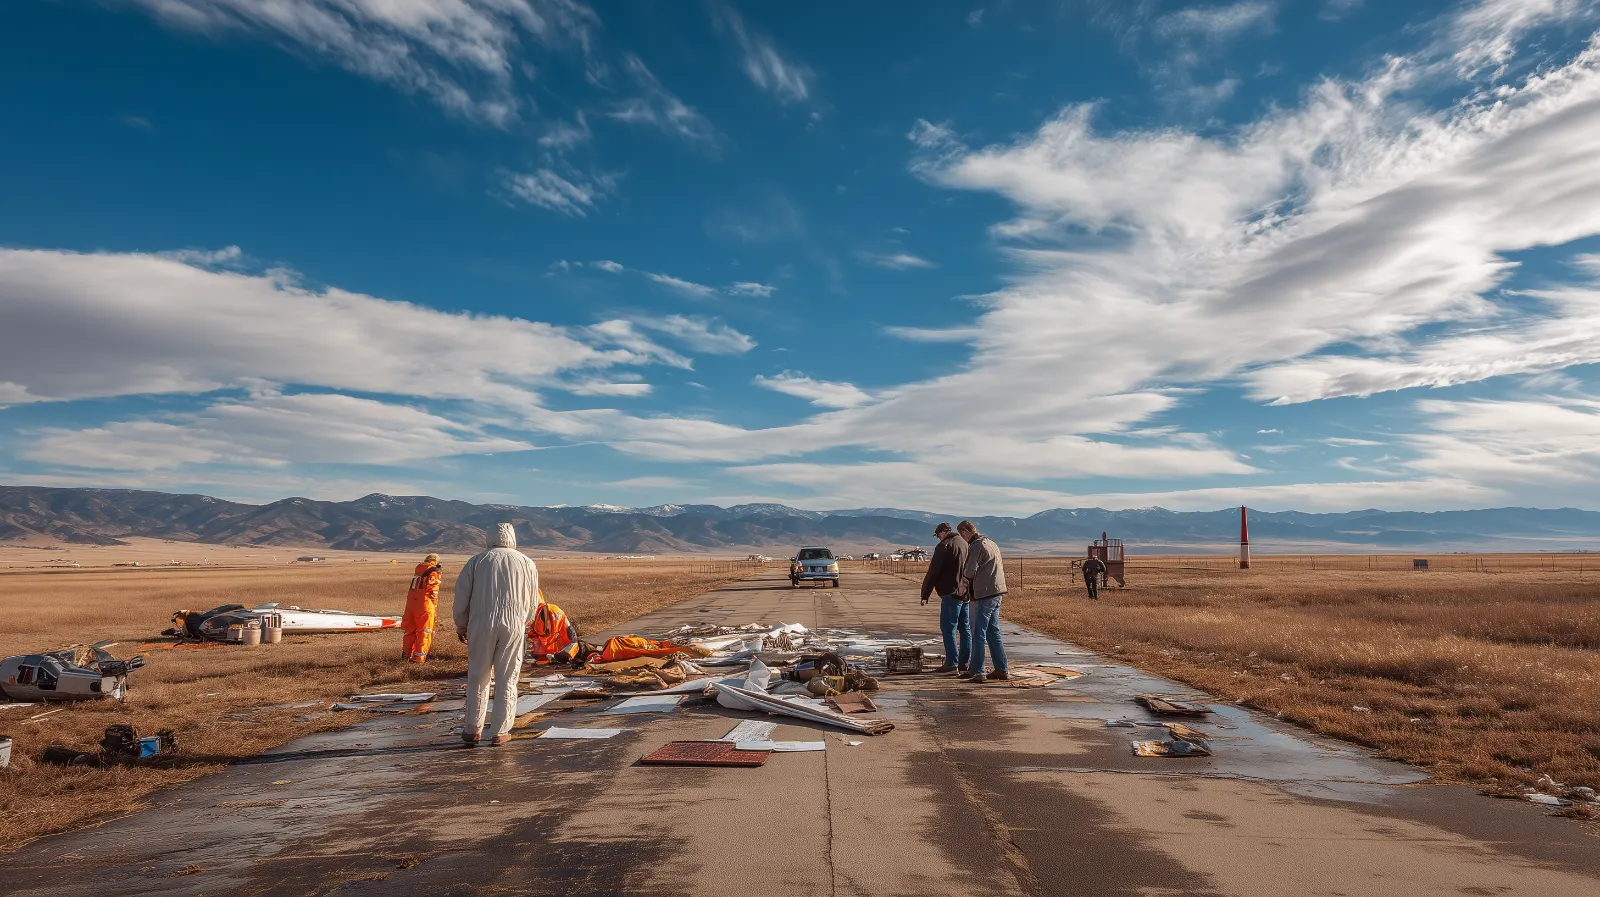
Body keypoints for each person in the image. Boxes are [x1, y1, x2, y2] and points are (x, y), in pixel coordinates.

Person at [453, 523, 540, 747]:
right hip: (514, 624)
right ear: (512, 537)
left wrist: (461, 625)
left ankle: (472, 729)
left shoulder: (477, 561)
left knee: (478, 677)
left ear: (489, 537)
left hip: (480, 623)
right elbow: (533, 601)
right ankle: (500, 732)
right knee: (507, 678)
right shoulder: (526, 563)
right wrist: (524, 620)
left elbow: (462, 596)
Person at [958, 520, 1009, 684]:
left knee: (978, 632)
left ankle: (977, 670)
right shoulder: (991, 543)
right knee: (992, 631)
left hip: (984, 593)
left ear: (966, 532)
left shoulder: (976, 545)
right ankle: (1001, 669)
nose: (963, 538)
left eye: (962, 535)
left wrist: (964, 582)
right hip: (997, 591)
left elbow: (970, 570)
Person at [919, 522, 970, 674]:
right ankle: (964, 664)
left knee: (948, 628)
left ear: (942, 533)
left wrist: (925, 594)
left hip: (951, 592)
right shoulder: (965, 543)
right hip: (965, 593)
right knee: (965, 629)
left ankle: (951, 664)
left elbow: (933, 572)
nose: (938, 538)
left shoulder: (944, 546)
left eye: (938, 535)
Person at [402, 553, 443, 662]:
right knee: (424, 631)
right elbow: (433, 591)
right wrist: (434, 609)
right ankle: (419, 658)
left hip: (411, 603)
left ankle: (406, 654)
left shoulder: (418, 570)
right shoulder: (434, 571)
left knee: (409, 630)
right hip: (424, 603)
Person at [527, 595, 578, 664]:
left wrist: (566, 654)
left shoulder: (557, 614)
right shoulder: (526, 618)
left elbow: (572, 641)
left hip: (555, 655)